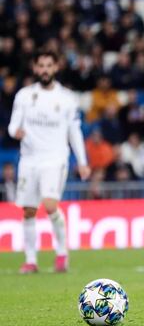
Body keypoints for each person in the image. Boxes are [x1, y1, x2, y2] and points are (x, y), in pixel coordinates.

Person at [8, 49, 91, 274]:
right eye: (41, 65)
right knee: (28, 210)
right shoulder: (24, 96)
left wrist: (82, 161)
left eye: (48, 65)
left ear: (56, 68)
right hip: (29, 160)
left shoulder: (66, 99)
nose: (44, 70)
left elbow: (75, 132)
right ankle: (31, 260)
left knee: (50, 205)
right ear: (35, 68)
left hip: (55, 158)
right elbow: (13, 126)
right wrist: (17, 132)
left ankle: (62, 253)